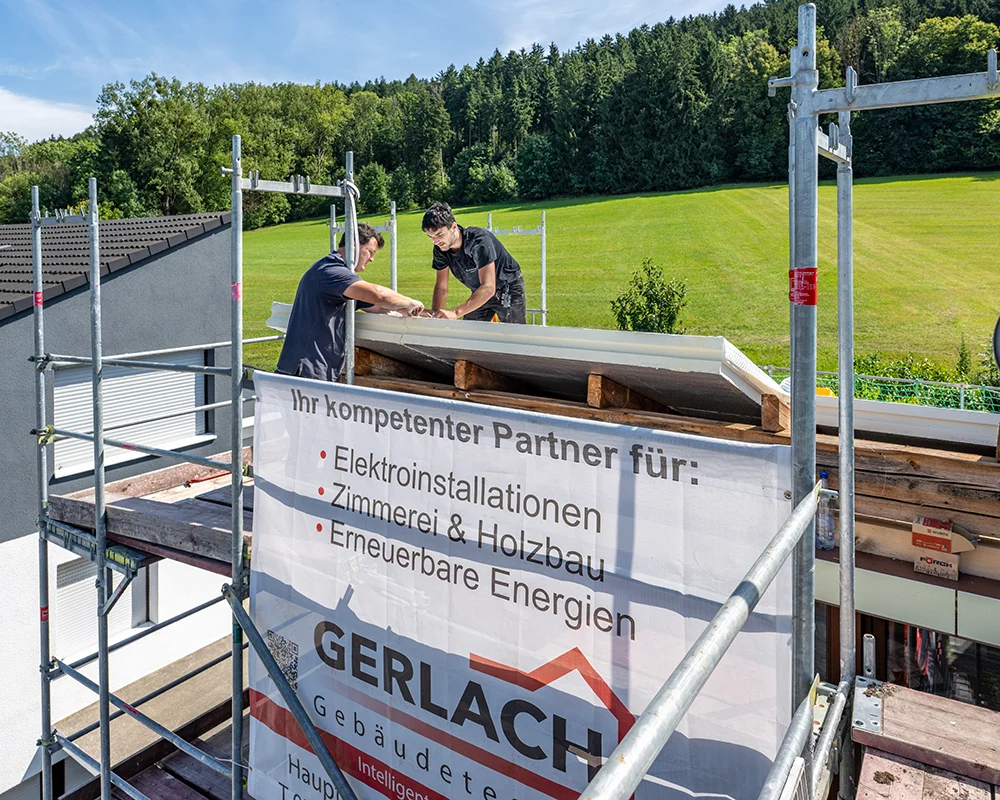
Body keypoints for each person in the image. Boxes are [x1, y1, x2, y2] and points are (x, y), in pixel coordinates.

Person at [276, 222, 424, 381]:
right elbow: (378, 295)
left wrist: (403, 310)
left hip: (312, 368)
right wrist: (409, 302)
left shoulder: (337, 277)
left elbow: (376, 306)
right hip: (306, 370)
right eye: (370, 252)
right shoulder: (331, 271)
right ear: (354, 245)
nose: (372, 259)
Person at [422, 202, 526, 324]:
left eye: (439, 234)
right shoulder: (441, 248)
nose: (435, 241)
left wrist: (455, 313)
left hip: (508, 287)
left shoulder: (479, 241)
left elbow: (489, 287)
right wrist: (436, 316)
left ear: (453, 227)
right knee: (470, 334)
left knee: (515, 335)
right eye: (430, 236)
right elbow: (441, 287)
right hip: (480, 290)